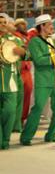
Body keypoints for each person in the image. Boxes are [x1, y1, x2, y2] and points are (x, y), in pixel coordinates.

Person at [20, 14, 55, 145]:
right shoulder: (35, 42)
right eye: (49, 24)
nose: (52, 27)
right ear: (42, 26)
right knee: (38, 108)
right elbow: (39, 60)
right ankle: (26, 137)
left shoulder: (52, 40)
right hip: (43, 81)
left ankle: (51, 135)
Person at [0, 14, 26, 149]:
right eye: (0, 22)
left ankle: (6, 139)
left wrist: (22, 51)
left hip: (10, 81)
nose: (3, 24)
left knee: (10, 111)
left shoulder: (15, 40)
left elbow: (27, 55)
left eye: (5, 22)